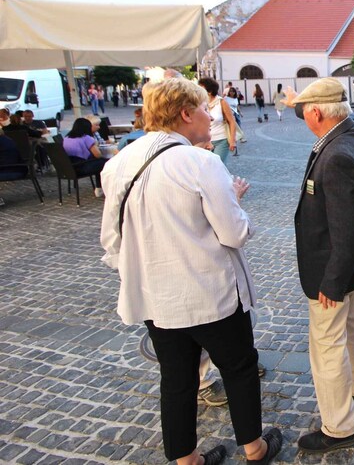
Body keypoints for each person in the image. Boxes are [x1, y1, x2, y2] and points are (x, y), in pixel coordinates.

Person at [99, 77, 282, 465]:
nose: (208, 115)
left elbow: (112, 242)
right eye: (203, 109)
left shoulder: (118, 165)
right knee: (239, 368)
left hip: (156, 299)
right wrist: (234, 200)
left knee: (177, 378)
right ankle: (253, 447)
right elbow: (234, 232)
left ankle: (186, 460)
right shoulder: (201, 162)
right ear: (185, 113)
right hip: (210, 294)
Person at [290, 78, 354, 454]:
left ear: (316, 112)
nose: (305, 121)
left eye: (305, 115)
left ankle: (339, 428)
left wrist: (331, 280)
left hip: (334, 264)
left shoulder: (338, 153)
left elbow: (347, 225)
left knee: (327, 344)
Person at [63, 118, 108, 197]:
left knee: (99, 162)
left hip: (69, 168)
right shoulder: (86, 138)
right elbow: (98, 155)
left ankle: (100, 187)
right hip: (82, 167)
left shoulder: (66, 138)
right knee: (104, 162)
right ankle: (99, 187)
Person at [198, 78, 238, 165]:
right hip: (205, 141)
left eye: (201, 88)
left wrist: (232, 140)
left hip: (221, 140)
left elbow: (231, 121)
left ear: (209, 91)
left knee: (217, 165)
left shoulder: (221, 102)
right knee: (207, 166)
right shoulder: (199, 103)